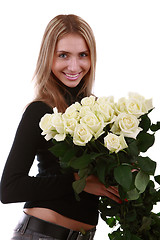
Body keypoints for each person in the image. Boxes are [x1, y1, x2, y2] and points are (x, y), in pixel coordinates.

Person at [0, 14, 121, 240]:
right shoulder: (39, 111)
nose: (74, 66)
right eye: (63, 55)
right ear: (48, 57)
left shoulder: (99, 112)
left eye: (83, 55)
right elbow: (9, 189)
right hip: (40, 235)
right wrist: (78, 183)